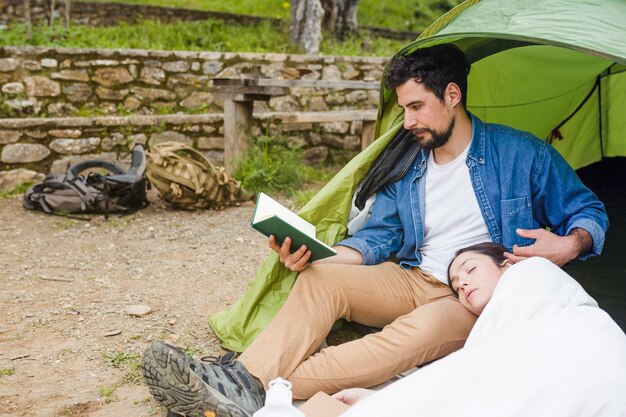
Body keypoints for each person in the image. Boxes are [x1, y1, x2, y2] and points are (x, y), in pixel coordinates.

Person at [141, 44, 609, 417]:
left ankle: (244, 380)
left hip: (470, 297)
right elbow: (379, 237)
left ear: (452, 94)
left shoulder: (521, 154)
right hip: (412, 277)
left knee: (404, 340)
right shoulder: (409, 161)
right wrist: (320, 254)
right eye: (403, 108)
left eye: (417, 107)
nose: (408, 122)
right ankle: (244, 381)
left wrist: (568, 244)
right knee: (320, 278)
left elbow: (589, 212)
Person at [333, 243, 626, 417]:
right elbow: (479, 379)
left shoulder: (533, 272)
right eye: (457, 285)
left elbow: (472, 374)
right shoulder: (495, 328)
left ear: (507, 263)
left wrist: (389, 401)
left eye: (470, 269)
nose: (462, 283)